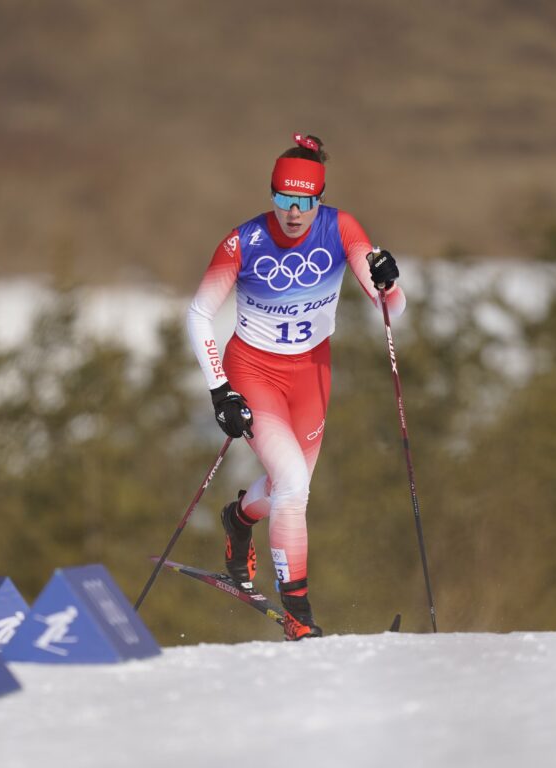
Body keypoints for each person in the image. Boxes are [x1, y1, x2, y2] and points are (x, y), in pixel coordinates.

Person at [186, 133, 405, 640]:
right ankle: (299, 616)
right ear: (272, 195)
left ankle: (239, 520)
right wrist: (220, 389)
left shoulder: (341, 229)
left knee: (290, 488)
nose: (294, 212)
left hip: (312, 375)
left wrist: (389, 282)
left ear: (319, 199)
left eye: (305, 201)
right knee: (294, 488)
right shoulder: (244, 242)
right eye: (284, 199)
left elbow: (391, 311)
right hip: (253, 372)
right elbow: (198, 313)